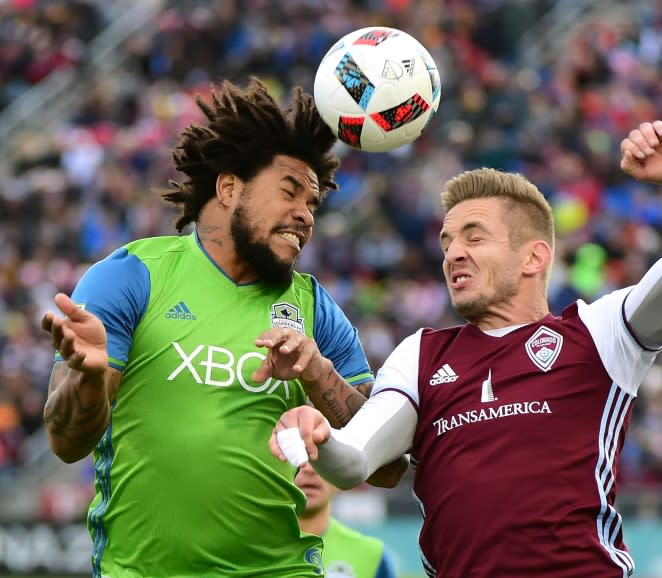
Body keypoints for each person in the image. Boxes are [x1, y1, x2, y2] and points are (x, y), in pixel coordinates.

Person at [267, 120, 662, 577]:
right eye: (447, 242)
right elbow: (355, 462)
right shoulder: (421, 356)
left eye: (475, 236)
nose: (453, 254)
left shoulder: (599, 334)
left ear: (534, 257)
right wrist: (320, 437)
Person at [40, 76, 405, 577]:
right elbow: (66, 443)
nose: (305, 215)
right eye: (289, 192)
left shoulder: (316, 310)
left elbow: (385, 468)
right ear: (229, 188)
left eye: (313, 204)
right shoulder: (132, 277)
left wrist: (317, 374)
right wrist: (86, 378)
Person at [297, 463, 397, 578]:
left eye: (320, 456)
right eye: (295, 454)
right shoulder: (270, 550)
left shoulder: (373, 556)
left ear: (338, 477)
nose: (310, 469)